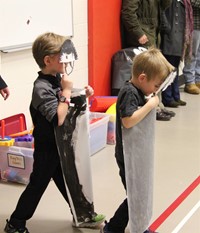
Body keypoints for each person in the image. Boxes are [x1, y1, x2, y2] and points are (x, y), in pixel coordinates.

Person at [4, 32, 105, 233]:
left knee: (70, 181)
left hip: (61, 145)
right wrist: (67, 92)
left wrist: (82, 94)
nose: (67, 61)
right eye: (63, 57)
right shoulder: (40, 88)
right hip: (48, 147)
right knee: (38, 186)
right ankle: (15, 223)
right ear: (48, 60)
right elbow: (59, 118)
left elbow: (66, 105)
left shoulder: (57, 78)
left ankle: (82, 214)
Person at [101, 47, 174, 233]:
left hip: (137, 152)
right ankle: (113, 228)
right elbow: (128, 121)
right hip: (127, 155)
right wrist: (150, 105)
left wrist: (149, 98)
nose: (156, 90)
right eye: (156, 85)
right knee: (135, 196)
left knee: (138, 194)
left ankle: (136, 226)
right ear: (142, 78)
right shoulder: (129, 92)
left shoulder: (138, 89)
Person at [120, 0, 175, 121]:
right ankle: (152, 108)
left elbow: (165, 6)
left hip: (153, 32)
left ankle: (157, 105)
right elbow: (128, 12)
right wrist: (138, 33)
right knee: (150, 73)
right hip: (143, 35)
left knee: (156, 72)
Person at [160, 0, 193, 107]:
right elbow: (162, 13)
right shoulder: (171, 2)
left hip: (179, 39)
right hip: (170, 38)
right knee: (169, 69)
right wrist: (167, 28)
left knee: (175, 68)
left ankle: (175, 96)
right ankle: (168, 98)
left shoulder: (183, 2)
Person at [183, 0, 200, 94]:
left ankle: (198, 79)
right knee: (191, 54)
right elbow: (190, 2)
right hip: (194, 25)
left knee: (199, 55)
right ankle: (190, 81)